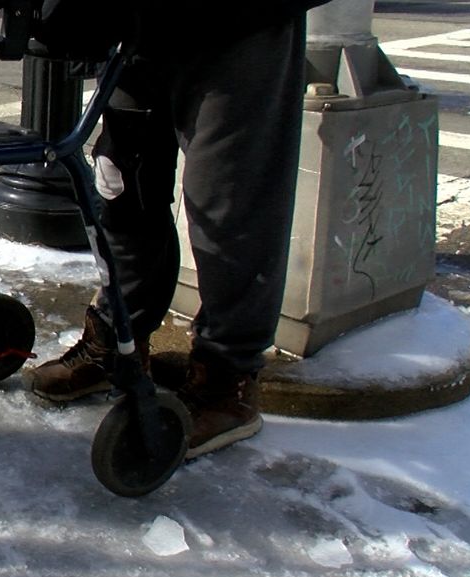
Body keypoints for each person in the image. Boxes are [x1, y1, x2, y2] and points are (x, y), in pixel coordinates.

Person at [24, 0, 332, 459]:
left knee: (228, 202)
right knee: (123, 186)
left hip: (239, 22)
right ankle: (118, 343)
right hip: (141, 27)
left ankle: (228, 381)